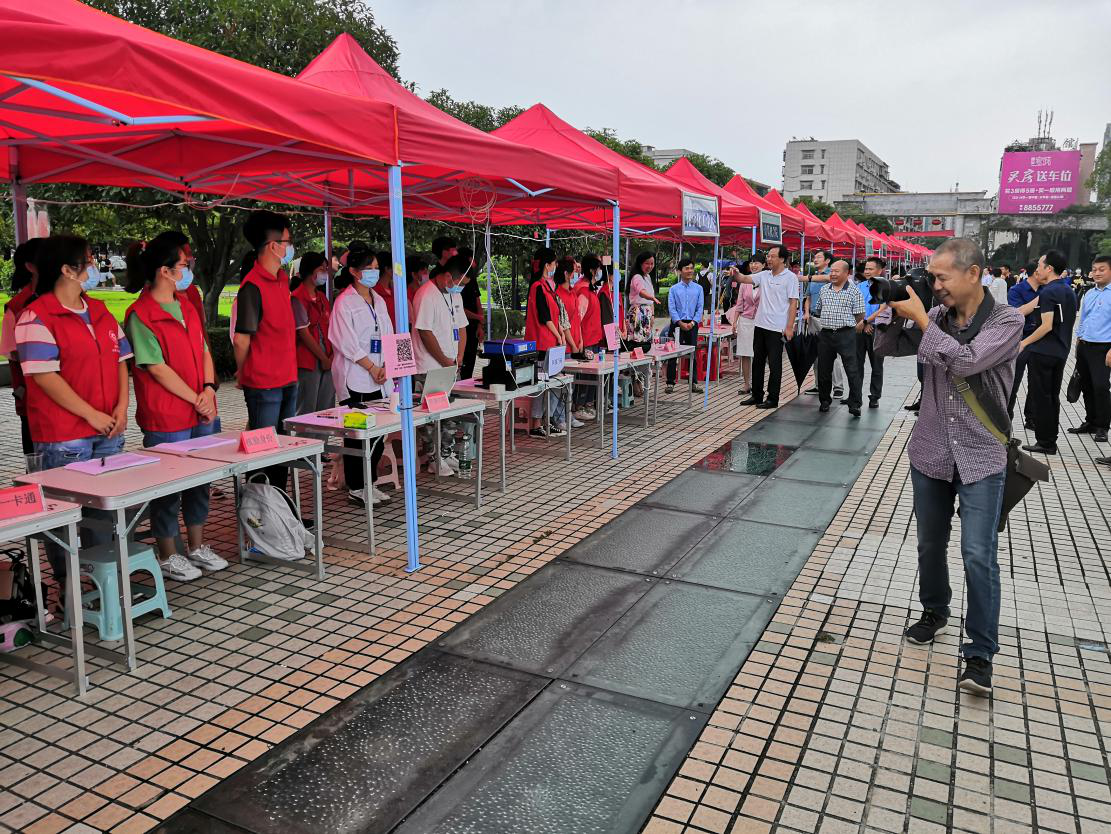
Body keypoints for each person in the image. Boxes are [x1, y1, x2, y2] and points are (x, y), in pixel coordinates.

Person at [888, 238, 1023, 697]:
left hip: (981, 455)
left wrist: (923, 319)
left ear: (973, 273)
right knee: (930, 543)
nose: (936, 285)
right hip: (930, 451)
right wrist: (894, 311)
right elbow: (889, 347)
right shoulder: (937, 315)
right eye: (931, 277)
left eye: (942, 277)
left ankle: (980, 653)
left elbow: (966, 362)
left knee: (978, 554)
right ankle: (935, 610)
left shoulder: (1006, 320)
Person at [16, 235, 131, 582]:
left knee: (105, 513)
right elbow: (45, 377)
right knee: (66, 517)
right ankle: (70, 590)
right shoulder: (36, 316)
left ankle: (101, 584)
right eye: (89, 259)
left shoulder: (99, 310)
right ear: (67, 269)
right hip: (65, 436)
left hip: (108, 430)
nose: (95, 265)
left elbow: (121, 360)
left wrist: (122, 407)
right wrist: (91, 414)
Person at [124, 235, 226, 581]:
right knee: (167, 486)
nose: (188, 270)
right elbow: (156, 367)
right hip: (167, 415)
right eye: (183, 265)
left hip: (201, 408)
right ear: (164, 271)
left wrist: (209, 389)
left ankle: (197, 546)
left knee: (201, 480)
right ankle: (168, 553)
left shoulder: (186, 306)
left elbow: (204, 350)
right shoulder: (140, 315)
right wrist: (196, 397)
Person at [233, 209, 299, 490]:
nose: (290, 247)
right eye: (287, 241)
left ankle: (279, 504)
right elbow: (241, 339)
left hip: (288, 377)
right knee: (263, 452)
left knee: (282, 449)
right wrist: (242, 371)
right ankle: (259, 507)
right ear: (273, 246)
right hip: (264, 383)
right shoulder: (252, 286)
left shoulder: (282, 279)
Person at [329, 249, 395, 506]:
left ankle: (370, 482)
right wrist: (371, 367)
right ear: (354, 272)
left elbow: (387, 333)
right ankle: (356, 486)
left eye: (376, 268)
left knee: (378, 433)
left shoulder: (379, 300)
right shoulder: (344, 302)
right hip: (356, 375)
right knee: (357, 434)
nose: (374, 273)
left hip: (380, 376)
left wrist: (386, 365)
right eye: (369, 269)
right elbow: (346, 342)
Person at [412, 258, 470, 468]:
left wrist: (459, 356)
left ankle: (446, 451)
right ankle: (433, 457)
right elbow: (425, 332)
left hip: (451, 365)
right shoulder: (426, 294)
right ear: (447, 277)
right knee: (429, 415)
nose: (460, 288)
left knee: (450, 412)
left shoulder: (454, 295)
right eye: (460, 283)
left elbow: (462, 327)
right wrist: (445, 361)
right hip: (430, 366)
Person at [1021, 249, 1077, 455]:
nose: (1037, 269)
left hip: (1043, 351)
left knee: (1041, 397)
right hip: (1060, 351)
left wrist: (1023, 343)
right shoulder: (1068, 291)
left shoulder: (1048, 292)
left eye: (1040, 266)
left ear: (1049, 268)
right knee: (1052, 396)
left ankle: (1045, 442)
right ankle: (1049, 439)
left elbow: (1046, 326)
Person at [733, 244, 799, 409]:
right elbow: (744, 279)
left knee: (775, 363)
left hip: (777, 328)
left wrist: (789, 326)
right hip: (760, 325)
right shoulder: (764, 275)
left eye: (772, 256)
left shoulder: (790, 277)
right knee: (758, 361)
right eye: (768, 256)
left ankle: (772, 398)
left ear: (782, 259)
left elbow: (793, 303)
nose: (769, 259)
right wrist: (736, 274)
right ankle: (757, 395)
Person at [2, 238, 43, 454]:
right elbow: (15, 353)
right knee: (38, 463)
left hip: (79, 406)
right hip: (34, 403)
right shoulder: (17, 307)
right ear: (31, 267)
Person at [814, 258, 865, 415]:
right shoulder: (824, 289)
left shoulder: (854, 291)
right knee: (824, 369)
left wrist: (849, 327)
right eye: (832, 271)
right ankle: (824, 401)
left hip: (846, 334)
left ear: (847, 273)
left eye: (837, 271)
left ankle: (855, 404)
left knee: (852, 369)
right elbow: (819, 309)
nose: (833, 274)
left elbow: (860, 315)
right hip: (826, 334)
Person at [1069, 255, 1111, 444]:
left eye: (1102, 269)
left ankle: (1102, 426)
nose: (1097, 273)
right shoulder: (1090, 293)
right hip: (1084, 345)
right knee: (1086, 385)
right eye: (1094, 270)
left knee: (1101, 386)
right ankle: (1091, 421)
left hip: (1104, 347)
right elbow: (1084, 318)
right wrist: (1078, 342)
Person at [290, 252, 335, 416]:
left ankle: (324, 434)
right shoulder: (297, 298)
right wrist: (323, 358)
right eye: (322, 269)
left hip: (328, 355)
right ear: (310, 271)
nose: (325, 272)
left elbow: (331, 326)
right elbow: (303, 333)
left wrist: (331, 355)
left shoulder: (322, 297)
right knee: (307, 407)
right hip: (308, 359)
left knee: (327, 407)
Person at [802, 249, 844, 398]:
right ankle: (819, 384)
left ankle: (838, 387)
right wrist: (806, 312)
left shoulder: (831, 275)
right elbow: (808, 297)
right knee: (816, 354)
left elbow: (827, 279)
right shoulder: (813, 277)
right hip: (813, 318)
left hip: (828, 319)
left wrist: (804, 277)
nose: (815, 259)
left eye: (819, 257)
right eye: (815, 257)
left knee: (833, 353)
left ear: (827, 261)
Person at [1006, 263, 1041, 424]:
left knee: (1036, 381)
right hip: (1019, 339)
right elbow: (1017, 313)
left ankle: (1032, 418)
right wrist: (1041, 299)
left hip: (1040, 338)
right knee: (1013, 380)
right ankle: (1006, 416)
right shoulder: (1016, 290)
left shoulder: (1046, 289)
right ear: (1036, 272)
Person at [666, 258, 704, 394]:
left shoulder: (699, 288)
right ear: (679, 271)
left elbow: (700, 308)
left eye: (691, 268)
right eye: (686, 268)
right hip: (677, 324)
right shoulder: (674, 289)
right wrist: (680, 323)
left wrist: (693, 323)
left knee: (692, 353)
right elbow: (672, 308)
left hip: (692, 324)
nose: (690, 271)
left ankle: (693, 382)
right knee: (672, 353)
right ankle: (670, 382)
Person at [855, 257, 890, 408]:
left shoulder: (885, 287)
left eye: (870, 269)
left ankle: (874, 397)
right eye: (866, 269)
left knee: (876, 365)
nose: (867, 271)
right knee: (856, 364)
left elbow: (883, 308)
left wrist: (866, 322)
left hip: (877, 330)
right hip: (859, 328)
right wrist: (863, 322)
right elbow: (854, 306)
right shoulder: (859, 286)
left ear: (879, 270)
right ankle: (855, 396)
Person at [627, 251, 661, 355]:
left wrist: (652, 315)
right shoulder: (637, 277)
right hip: (638, 312)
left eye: (652, 263)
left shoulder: (648, 277)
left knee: (646, 341)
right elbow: (641, 292)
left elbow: (650, 300)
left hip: (647, 312)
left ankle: (644, 362)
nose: (650, 266)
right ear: (640, 263)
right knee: (638, 341)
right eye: (647, 263)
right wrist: (652, 297)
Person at [458, 246, 483, 380]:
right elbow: (459, 310)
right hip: (462, 327)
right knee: (463, 361)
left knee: (470, 361)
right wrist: (478, 317)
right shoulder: (457, 284)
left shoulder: (472, 279)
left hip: (472, 327)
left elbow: (478, 301)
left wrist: (480, 323)